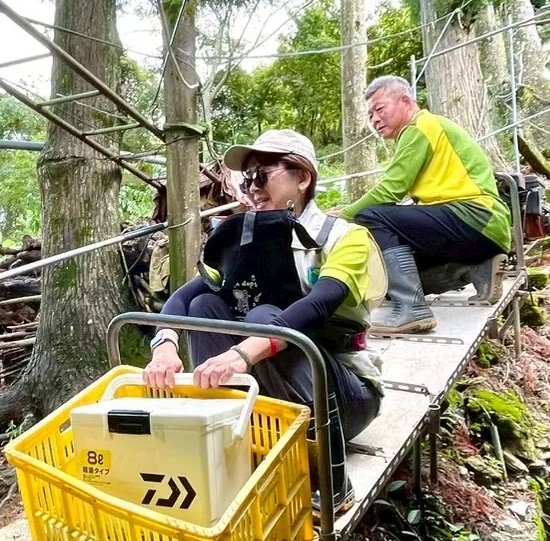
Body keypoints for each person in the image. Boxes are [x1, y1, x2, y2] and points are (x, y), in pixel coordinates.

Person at [143, 129, 386, 512]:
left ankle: (331, 477)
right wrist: (166, 346)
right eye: (247, 179)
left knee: (262, 316)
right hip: (271, 389)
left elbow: (318, 305)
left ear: (302, 177)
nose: (252, 189)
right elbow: (185, 296)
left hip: (343, 392)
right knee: (207, 305)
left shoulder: (344, 238)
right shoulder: (246, 239)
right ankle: (227, 440)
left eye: (262, 176)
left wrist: (241, 355)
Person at [337, 76, 511, 335]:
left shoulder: (419, 127)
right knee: (391, 275)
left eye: (380, 109)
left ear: (405, 101)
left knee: (369, 216)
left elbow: (389, 191)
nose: (374, 119)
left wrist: (343, 214)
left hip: (474, 216)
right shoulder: (427, 128)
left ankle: (412, 309)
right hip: (483, 230)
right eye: (370, 114)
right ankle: (477, 268)